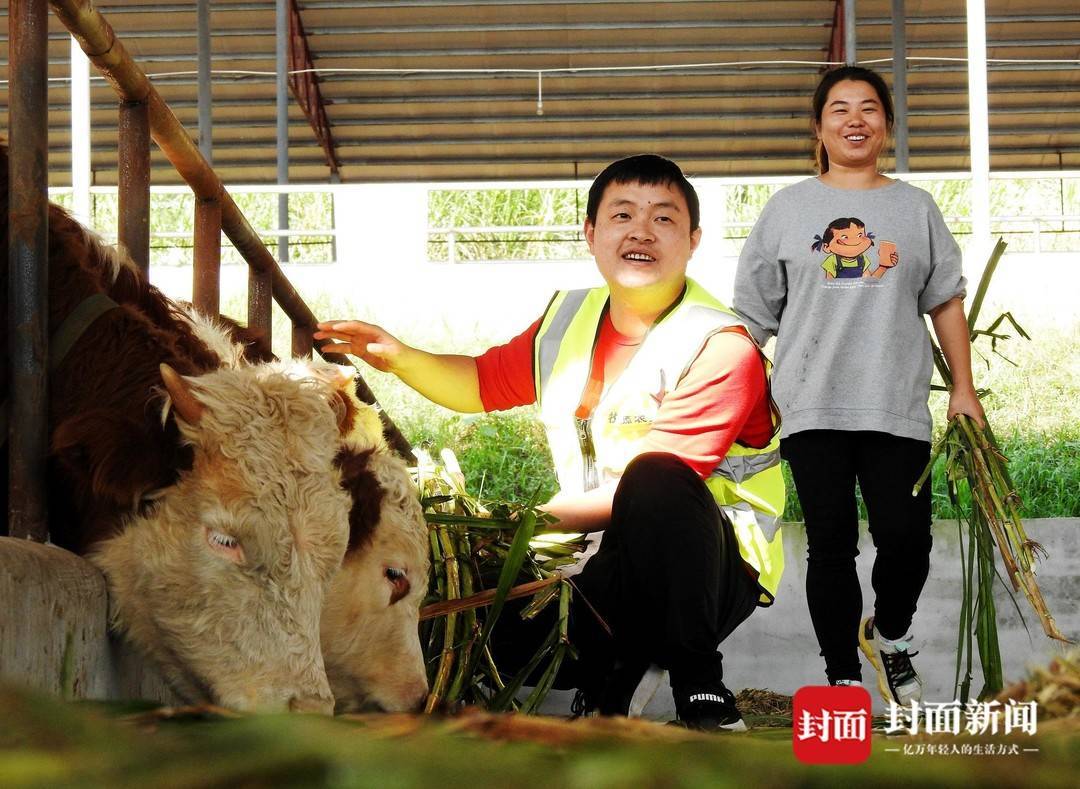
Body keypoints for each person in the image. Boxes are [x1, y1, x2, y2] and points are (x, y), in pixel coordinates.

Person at [315, 154, 786, 731]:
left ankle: (701, 687)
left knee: (656, 478)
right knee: (485, 623)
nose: (641, 231)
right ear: (591, 234)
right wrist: (398, 357)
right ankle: (603, 685)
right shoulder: (568, 318)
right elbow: (480, 383)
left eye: (663, 218)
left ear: (693, 241)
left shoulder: (722, 345)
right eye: (622, 215)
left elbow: (647, 495)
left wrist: (522, 525)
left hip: (713, 566)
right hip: (594, 548)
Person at [733, 66, 986, 706]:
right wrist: (727, 397)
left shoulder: (915, 208)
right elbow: (752, 319)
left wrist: (964, 389)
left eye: (869, 109)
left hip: (895, 407)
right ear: (818, 128)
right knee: (832, 547)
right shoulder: (787, 209)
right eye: (839, 109)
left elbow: (946, 303)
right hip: (811, 408)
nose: (854, 120)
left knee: (907, 539)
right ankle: (843, 673)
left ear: (887, 126)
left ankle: (891, 635)